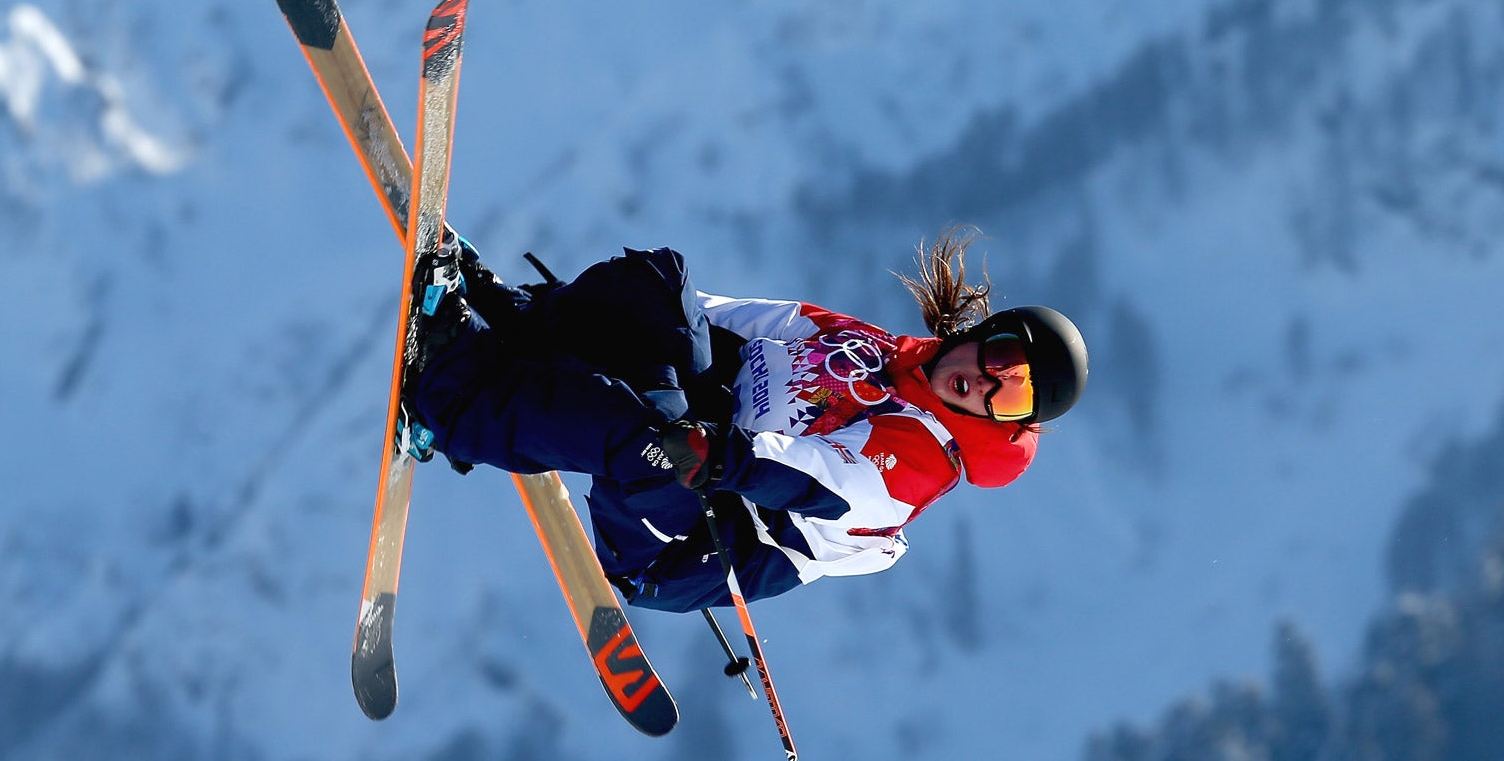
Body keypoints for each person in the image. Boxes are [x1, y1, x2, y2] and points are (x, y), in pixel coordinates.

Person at [407, 228, 1088, 612]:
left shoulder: (917, 462)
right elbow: (724, 319)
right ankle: (510, 330)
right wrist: (592, 314)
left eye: (1011, 396)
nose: (987, 381)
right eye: (1004, 357)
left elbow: (824, 482)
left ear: (1005, 424)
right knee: (659, 282)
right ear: (983, 332)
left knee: (649, 438)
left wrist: (722, 458)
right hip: (704, 436)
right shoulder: (873, 349)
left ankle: (447, 402)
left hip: (694, 540)